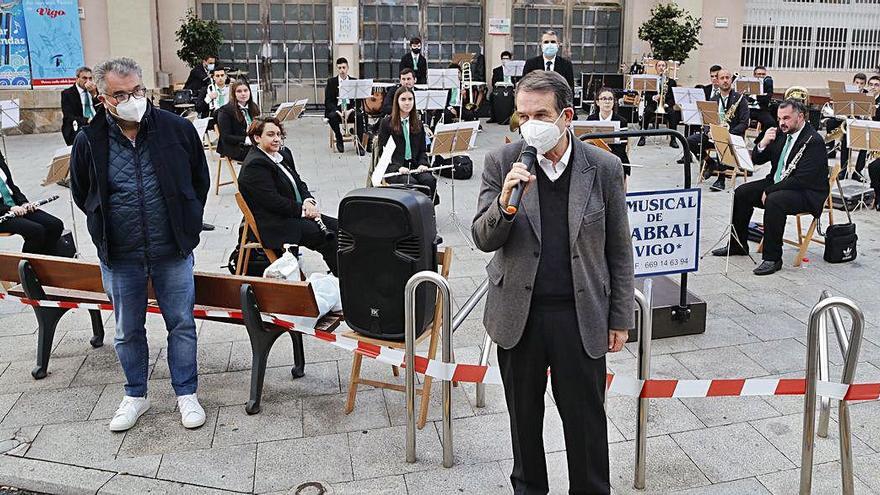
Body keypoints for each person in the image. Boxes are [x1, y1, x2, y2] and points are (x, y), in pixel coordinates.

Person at [471, 70, 633, 494]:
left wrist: (620, 317)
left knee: (586, 423)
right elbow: (483, 239)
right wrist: (505, 206)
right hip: (519, 316)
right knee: (524, 422)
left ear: (567, 116)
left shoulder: (603, 167)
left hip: (579, 315)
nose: (530, 125)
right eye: (522, 116)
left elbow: (619, 247)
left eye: (540, 114)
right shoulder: (502, 163)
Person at [69, 57, 210, 431]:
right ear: (103, 98)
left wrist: (188, 222)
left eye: (137, 90)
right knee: (127, 330)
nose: (132, 99)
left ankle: (186, 393)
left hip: (171, 249)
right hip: (121, 253)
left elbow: (199, 180)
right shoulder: (89, 138)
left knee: (181, 323)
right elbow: (84, 191)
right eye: (121, 94)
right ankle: (135, 394)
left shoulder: (176, 129)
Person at [712, 100, 828, 276]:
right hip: (777, 183)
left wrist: (770, 190)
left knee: (775, 200)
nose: (782, 122)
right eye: (780, 118)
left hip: (806, 192)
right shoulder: (781, 133)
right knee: (742, 193)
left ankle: (773, 258)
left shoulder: (813, 141)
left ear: (801, 117)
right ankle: (738, 244)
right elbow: (757, 159)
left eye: (787, 118)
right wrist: (763, 143)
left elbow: (801, 180)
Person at [238, 118, 339, 275]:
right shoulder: (255, 165)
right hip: (275, 223)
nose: (277, 139)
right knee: (328, 239)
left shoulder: (282, 154)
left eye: (278, 134)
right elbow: (273, 202)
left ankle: (345, 275)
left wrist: (308, 200)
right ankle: (344, 282)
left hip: (293, 213)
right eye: (271, 134)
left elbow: (299, 182)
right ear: (257, 138)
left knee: (340, 227)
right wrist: (304, 211)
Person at [686, 69, 750, 191]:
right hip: (713, 134)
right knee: (689, 141)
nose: (725, 80)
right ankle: (709, 162)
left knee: (722, 142)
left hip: (731, 135)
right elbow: (706, 121)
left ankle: (721, 179)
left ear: (731, 80)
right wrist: (707, 131)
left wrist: (727, 133)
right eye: (722, 78)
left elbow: (744, 123)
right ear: (717, 81)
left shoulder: (740, 99)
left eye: (727, 78)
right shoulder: (713, 99)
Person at [378, 87, 438, 203]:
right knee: (412, 184)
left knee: (429, 180)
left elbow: (422, 150)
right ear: (397, 102)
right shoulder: (386, 123)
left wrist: (422, 164)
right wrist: (398, 167)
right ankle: (412, 214)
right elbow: (383, 153)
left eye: (410, 99)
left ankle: (428, 211)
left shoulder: (418, 123)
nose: (407, 103)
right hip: (395, 166)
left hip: (415, 165)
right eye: (403, 99)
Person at [0, 150, 64, 254]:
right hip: (2, 213)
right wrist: (9, 208)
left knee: (55, 225)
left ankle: (46, 261)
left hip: (15, 207)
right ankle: (26, 265)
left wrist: (24, 202)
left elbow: (12, 186)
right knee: (35, 231)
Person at [324, 57, 365, 154]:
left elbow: (358, 100)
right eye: (339, 68)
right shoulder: (331, 82)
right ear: (337, 69)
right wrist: (338, 111)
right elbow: (328, 101)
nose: (342, 70)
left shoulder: (354, 81)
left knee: (359, 116)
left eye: (343, 67)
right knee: (332, 116)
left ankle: (359, 144)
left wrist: (350, 110)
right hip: (337, 109)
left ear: (347, 68)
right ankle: (339, 137)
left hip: (350, 109)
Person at [587, 87, 631, 177]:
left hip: (615, 158)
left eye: (610, 99)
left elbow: (621, 148)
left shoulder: (621, 121)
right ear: (597, 102)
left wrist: (608, 159)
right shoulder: (591, 119)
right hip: (595, 158)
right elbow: (587, 145)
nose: (607, 102)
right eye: (603, 99)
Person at [638, 59, 679, 148]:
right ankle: (642, 136)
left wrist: (666, 104)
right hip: (653, 104)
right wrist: (653, 97)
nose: (661, 68)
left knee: (672, 114)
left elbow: (673, 98)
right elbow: (647, 96)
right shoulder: (651, 80)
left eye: (663, 66)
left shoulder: (672, 82)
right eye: (659, 66)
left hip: (666, 105)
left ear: (666, 68)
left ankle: (673, 139)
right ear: (656, 68)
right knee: (647, 111)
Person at [216, 81, 259, 162]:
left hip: (253, 143)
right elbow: (226, 136)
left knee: (281, 151)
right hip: (236, 147)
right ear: (233, 94)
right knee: (261, 156)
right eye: (239, 91)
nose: (243, 94)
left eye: (245, 90)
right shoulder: (225, 111)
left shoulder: (254, 107)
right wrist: (246, 140)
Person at [61, 66, 100, 146]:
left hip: (96, 123)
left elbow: (102, 109)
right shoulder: (68, 93)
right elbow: (68, 116)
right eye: (84, 78)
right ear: (77, 78)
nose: (88, 81)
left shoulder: (95, 91)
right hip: (80, 125)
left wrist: (94, 95)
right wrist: (87, 120)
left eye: (90, 78)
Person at [863, 75, 880, 208]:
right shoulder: (865, 98)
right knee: (873, 167)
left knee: (874, 166)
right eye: (871, 84)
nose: (873, 87)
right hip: (869, 132)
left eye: (876, 85)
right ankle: (876, 192)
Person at [750, 65, 776, 144]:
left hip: (761, 110)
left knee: (771, 123)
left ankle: (758, 141)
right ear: (754, 75)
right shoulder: (747, 83)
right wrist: (760, 97)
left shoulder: (767, 85)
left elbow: (767, 99)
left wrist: (754, 96)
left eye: (763, 74)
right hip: (748, 109)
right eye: (759, 74)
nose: (761, 76)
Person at [488, 51, 516, 124]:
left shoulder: (514, 70)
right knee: (491, 95)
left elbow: (517, 81)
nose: (505, 60)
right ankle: (494, 117)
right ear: (501, 60)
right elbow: (493, 83)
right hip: (500, 89)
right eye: (503, 58)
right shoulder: (497, 70)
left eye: (507, 58)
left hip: (511, 89)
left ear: (510, 60)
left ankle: (513, 116)